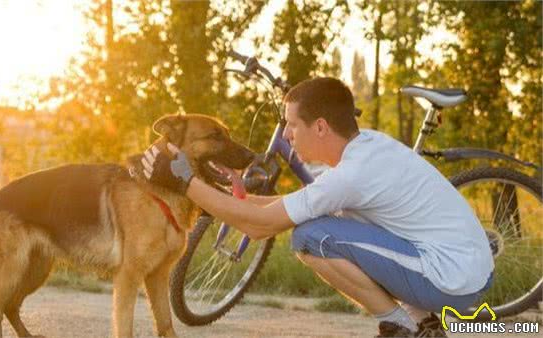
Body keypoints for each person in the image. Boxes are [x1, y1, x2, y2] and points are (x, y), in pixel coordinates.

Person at [139, 77, 494, 337]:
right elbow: (275, 205)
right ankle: (424, 322)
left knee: (311, 236)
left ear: (320, 127)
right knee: (321, 223)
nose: (288, 135)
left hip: (453, 281)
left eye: (293, 125)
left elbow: (261, 225)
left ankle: (401, 327)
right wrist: (207, 197)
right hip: (461, 268)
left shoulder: (350, 175)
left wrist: (185, 181)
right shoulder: (366, 147)